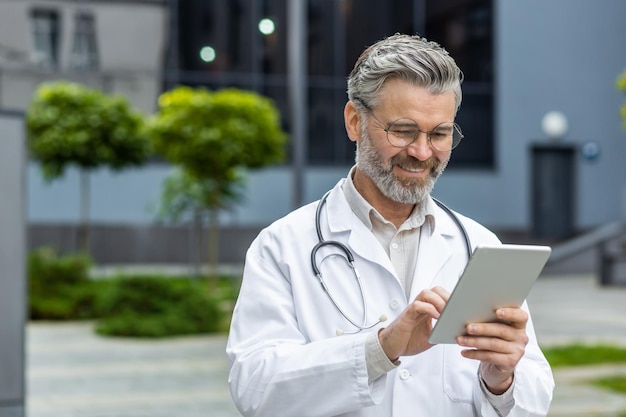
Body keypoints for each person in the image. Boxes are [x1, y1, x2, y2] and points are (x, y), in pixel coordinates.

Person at [226, 33, 554, 417]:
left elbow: (533, 400)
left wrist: (502, 379)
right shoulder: (283, 246)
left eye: (440, 134)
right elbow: (254, 388)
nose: (421, 152)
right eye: (403, 131)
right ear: (354, 121)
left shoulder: (479, 245)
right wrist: (380, 349)